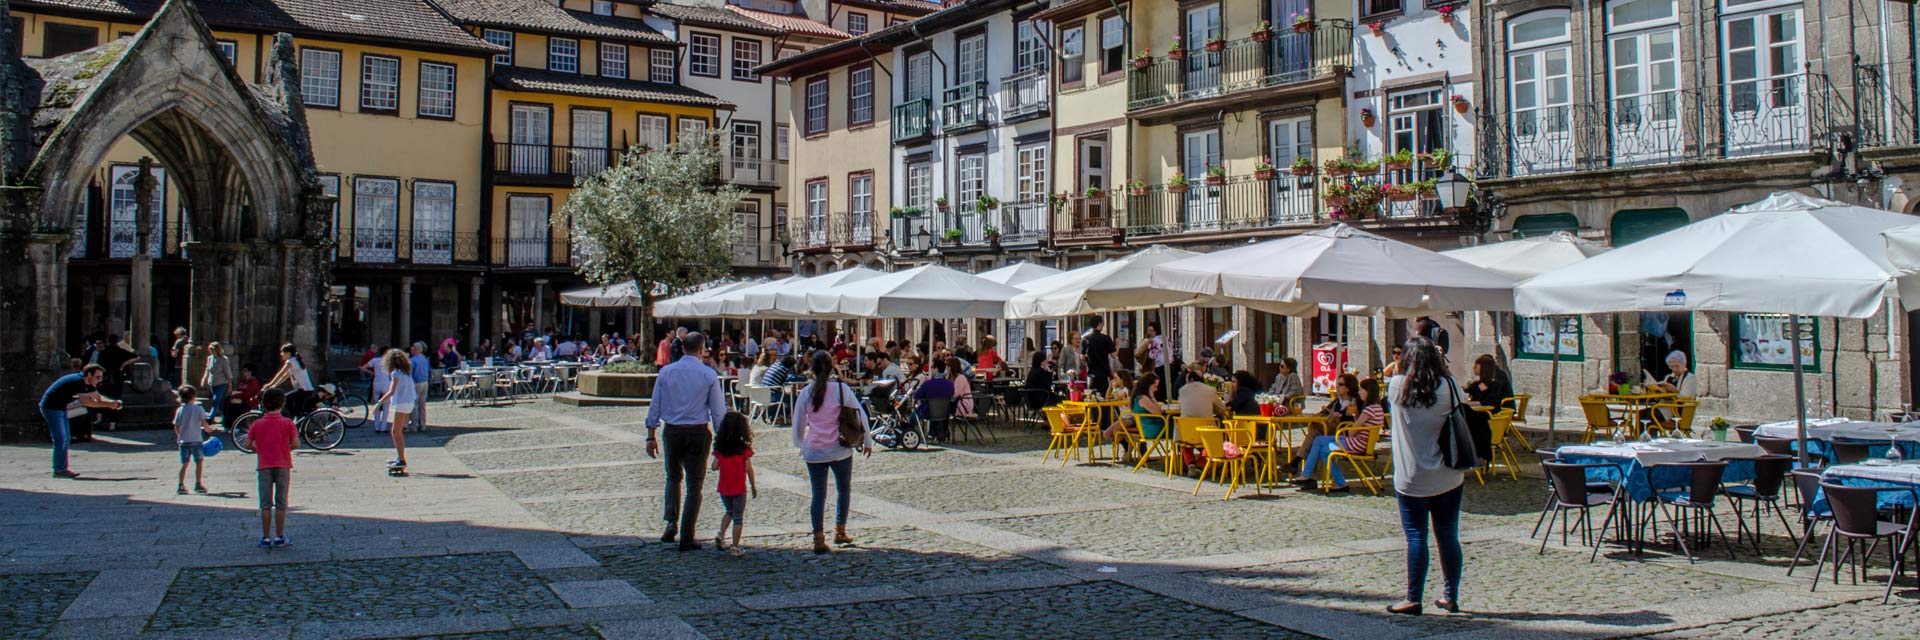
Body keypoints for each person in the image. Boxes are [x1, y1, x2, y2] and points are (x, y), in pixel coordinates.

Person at [1387, 336, 1466, 615]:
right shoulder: (1451, 386)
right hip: (1448, 474)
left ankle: (1413, 597)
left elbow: (1392, 373)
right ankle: (1450, 595)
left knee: (1416, 537)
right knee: (1448, 536)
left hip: (1411, 476)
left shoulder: (1398, 386)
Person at [645, 332, 728, 551]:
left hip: (672, 431)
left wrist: (650, 434)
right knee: (695, 484)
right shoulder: (708, 375)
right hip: (697, 432)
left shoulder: (666, 372)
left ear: (683, 348)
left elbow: (655, 404)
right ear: (702, 350)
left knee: (672, 478)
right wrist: (721, 440)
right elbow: (718, 412)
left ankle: (671, 523)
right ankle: (687, 535)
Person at [792, 351, 872, 554]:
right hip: (840, 449)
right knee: (843, 490)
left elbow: (798, 423)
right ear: (831, 368)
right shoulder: (841, 389)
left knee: (818, 495)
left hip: (815, 450)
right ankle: (840, 530)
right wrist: (868, 440)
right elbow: (860, 415)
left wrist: (800, 445)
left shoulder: (806, 392)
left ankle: (818, 538)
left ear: (812, 369)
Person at [1293, 378, 1384, 492]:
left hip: (1356, 443)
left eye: (1362, 390)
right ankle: (1311, 476)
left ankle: (1310, 476)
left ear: (1368, 392)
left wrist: (1354, 421)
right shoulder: (1378, 408)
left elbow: (1352, 431)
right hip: (1361, 442)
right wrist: (1355, 415)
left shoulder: (1369, 410)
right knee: (1319, 441)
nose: (1359, 392)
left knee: (1321, 445)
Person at [40, 364, 121, 478]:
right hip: (51, 407)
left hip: (60, 408)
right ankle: (59, 470)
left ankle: (61, 469)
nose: (100, 380)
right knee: (61, 439)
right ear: (89, 374)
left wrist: (114, 403)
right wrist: (109, 405)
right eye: (97, 377)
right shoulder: (78, 381)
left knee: (65, 438)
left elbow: (98, 397)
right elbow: (87, 402)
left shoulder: (88, 382)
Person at [245, 388, 297, 548]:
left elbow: (247, 444)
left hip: (264, 465)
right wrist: (284, 448)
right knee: (281, 502)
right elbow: (296, 443)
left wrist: (260, 449)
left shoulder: (257, 423)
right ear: (282, 403)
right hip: (283, 464)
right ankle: (280, 536)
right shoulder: (287, 423)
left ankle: (266, 537)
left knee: (265, 503)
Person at [711, 411, 757, 557]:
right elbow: (749, 469)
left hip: (724, 487)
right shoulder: (743, 449)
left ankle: (721, 534)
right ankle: (735, 546)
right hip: (739, 488)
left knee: (729, 511)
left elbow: (714, 466)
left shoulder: (721, 449)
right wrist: (753, 485)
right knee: (738, 518)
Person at [376, 349, 416, 471]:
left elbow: (391, 391)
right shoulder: (406, 372)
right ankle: (400, 456)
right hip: (410, 402)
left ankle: (401, 459)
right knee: (398, 431)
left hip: (402, 403)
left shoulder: (396, 374)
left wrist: (379, 403)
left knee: (395, 432)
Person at [173, 384, 212, 495]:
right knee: (199, 463)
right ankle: (198, 484)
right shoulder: (199, 408)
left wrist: (179, 436)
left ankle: (180, 485)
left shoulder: (180, 410)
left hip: (184, 441)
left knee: (184, 464)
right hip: (196, 440)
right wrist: (209, 430)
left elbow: (176, 426)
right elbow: (204, 423)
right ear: (193, 396)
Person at [263, 343, 314, 416]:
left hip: (304, 390)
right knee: (297, 410)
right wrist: (274, 385)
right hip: (305, 390)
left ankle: (293, 420)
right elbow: (284, 376)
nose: (281, 354)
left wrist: (269, 384)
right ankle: (297, 421)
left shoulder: (291, 361)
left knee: (286, 400)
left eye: (282, 352)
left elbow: (281, 373)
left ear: (288, 353)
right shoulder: (295, 360)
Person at [913, 358, 957, 440]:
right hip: (946, 412)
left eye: (932, 367)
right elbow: (952, 395)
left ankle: (911, 431)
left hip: (929, 412)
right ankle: (937, 432)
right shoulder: (950, 384)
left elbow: (916, 395)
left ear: (936, 369)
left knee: (914, 414)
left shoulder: (928, 384)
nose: (931, 369)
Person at [200, 342, 233, 425]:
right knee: (218, 402)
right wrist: (204, 379)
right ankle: (222, 417)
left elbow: (228, 373)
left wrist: (230, 385)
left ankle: (210, 418)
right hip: (212, 383)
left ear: (217, 350)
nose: (212, 352)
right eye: (210, 350)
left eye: (213, 350)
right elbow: (207, 370)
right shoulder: (210, 358)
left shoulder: (224, 359)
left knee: (216, 400)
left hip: (222, 383)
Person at [1082, 316, 1116, 394]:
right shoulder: (1106, 338)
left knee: (1092, 396)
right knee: (1104, 396)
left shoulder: (1086, 339)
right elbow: (1114, 355)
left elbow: (1082, 357)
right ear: (1100, 324)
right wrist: (1118, 345)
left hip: (1091, 373)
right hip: (1103, 373)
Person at [363, 345, 393, 434]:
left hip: (376, 384)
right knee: (386, 406)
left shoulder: (375, 360)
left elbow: (363, 367)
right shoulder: (389, 362)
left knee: (378, 405)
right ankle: (383, 427)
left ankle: (377, 426)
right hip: (386, 384)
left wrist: (373, 373)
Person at [408, 343, 431, 432]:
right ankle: (422, 425)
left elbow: (409, 373)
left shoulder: (412, 360)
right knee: (422, 405)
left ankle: (414, 425)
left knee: (414, 405)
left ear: (416, 349)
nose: (411, 350)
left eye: (412, 348)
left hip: (416, 383)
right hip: (425, 383)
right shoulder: (425, 359)